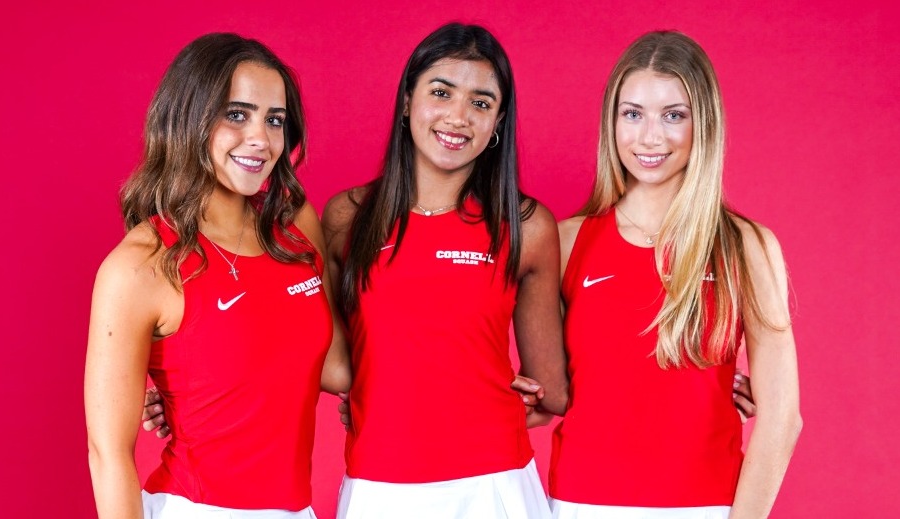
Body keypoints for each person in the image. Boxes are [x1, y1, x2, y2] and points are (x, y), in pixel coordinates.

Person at [84, 33, 349, 519]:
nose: (261, 139)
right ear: (190, 118)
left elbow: (336, 368)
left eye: (274, 120)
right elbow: (108, 455)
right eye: (237, 114)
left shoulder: (295, 226)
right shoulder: (141, 265)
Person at [321, 22, 569, 519]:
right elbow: (328, 360)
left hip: (494, 485)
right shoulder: (346, 217)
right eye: (441, 92)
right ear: (407, 101)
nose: (458, 116)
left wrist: (505, 396)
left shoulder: (526, 226)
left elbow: (553, 391)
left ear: (498, 122)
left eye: (481, 102)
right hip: (379, 486)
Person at [549, 31, 801, 519]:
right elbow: (549, 388)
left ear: (703, 123)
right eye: (632, 114)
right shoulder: (565, 242)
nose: (650, 137)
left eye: (673, 115)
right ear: (611, 120)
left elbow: (782, 420)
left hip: (704, 506)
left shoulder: (745, 245)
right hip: (580, 502)